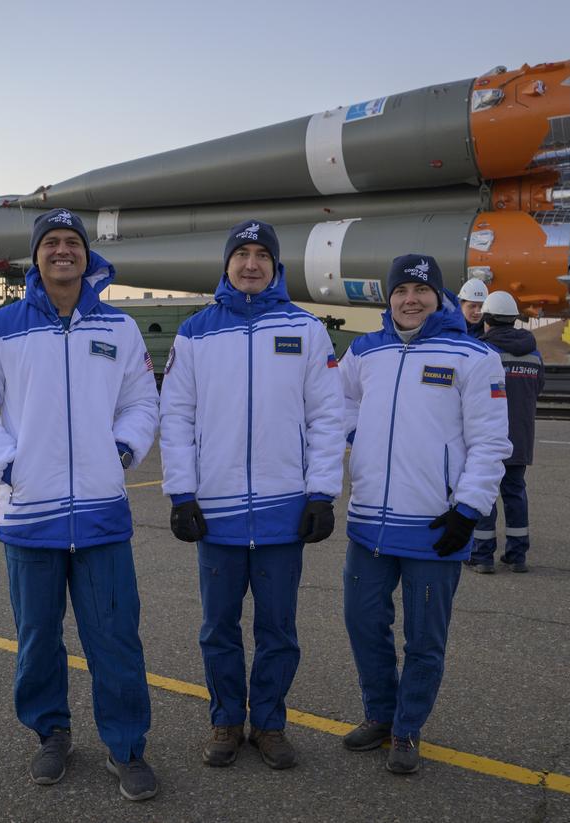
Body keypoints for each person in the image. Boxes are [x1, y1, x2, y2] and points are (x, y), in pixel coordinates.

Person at [0, 209, 161, 802]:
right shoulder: (0, 329)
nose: (62, 251)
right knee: (38, 637)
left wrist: (122, 450)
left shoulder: (119, 327)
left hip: (100, 515)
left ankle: (127, 747)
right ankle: (51, 734)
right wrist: (8, 465)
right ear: (36, 256)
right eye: (51, 243)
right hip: (29, 515)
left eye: (73, 242)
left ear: (87, 256)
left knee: (115, 638)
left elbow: (142, 401)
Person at [160, 219, 343, 771]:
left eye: (262, 254)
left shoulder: (305, 329)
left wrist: (322, 492)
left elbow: (327, 416)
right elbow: (176, 416)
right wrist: (180, 493)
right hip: (215, 512)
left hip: (284, 510)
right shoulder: (195, 333)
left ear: (276, 267)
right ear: (226, 264)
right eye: (241, 253)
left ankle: (268, 723)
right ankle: (225, 720)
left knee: (278, 629)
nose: (251, 264)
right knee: (218, 628)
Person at [337, 253, 511, 774]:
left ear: (439, 296)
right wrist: (359, 435)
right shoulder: (365, 350)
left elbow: (490, 442)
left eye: (421, 290)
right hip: (368, 520)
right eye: (401, 291)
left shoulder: (474, 356)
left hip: (436, 523)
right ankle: (380, 714)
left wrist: (469, 509)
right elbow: (337, 402)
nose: (410, 300)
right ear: (389, 298)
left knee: (424, 638)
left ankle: (407, 728)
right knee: (364, 623)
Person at [468, 291, 545, 574]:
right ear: (514, 320)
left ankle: (482, 556)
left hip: (487, 438)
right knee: (515, 493)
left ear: (486, 320)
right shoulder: (533, 353)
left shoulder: (481, 351)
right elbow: (538, 388)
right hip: (520, 438)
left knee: (484, 493)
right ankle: (517, 555)